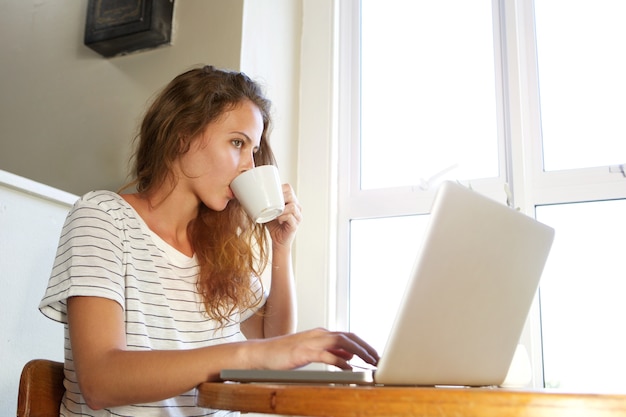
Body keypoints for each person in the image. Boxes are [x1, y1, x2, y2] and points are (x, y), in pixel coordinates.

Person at [39, 65, 379, 417]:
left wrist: (281, 246)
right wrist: (248, 357)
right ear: (182, 135)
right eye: (237, 142)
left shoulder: (218, 247)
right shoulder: (103, 217)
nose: (250, 165)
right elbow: (101, 382)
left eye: (254, 149)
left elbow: (268, 340)